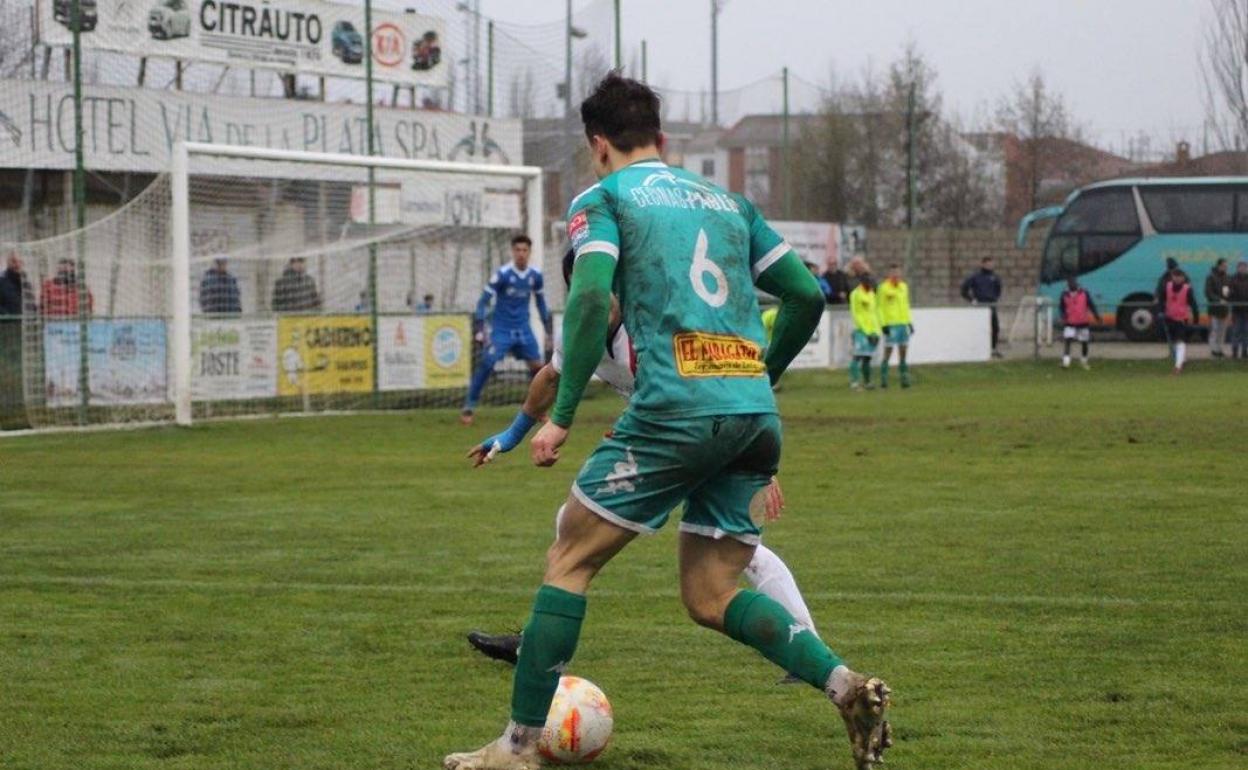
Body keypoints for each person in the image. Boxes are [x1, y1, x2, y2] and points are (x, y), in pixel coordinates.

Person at [443, 73, 891, 770]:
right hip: (752, 413)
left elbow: (592, 301)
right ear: (663, 139)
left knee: (569, 557)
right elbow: (804, 293)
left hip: (673, 409)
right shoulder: (729, 202)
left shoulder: (605, 198)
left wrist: (559, 421)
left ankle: (520, 746)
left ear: (598, 146)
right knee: (711, 594)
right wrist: (757, 379)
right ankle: (842, 684)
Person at [464, 252, 821, 683]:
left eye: (607, 284)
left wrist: (754, 464)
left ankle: (807, 649)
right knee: (570, 525)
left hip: (699, 437)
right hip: (664, 444)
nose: (600, 294)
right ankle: (538, 642)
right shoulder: (582, 327)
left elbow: (722, 385)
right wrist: (510, 435)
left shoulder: (655, 324)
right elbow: (549, 379)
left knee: (742, 557)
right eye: (586, 286)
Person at [461, 235, 552, 425]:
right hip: (501, 329)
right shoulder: (502, 274)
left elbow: (541, 303)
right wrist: (479, 327)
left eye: (524, 250)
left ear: (529, 252)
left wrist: (547, 330)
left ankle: (538, 410)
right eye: (517, 250)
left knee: (539, 368)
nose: (521, 254)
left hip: (523, 329)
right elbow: (483, 301)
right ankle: (469, 406)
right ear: (512, 251)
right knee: (487, 363)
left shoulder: (535, 275)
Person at [847, 260, 882, 391]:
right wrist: (866, 332)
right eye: (867, 279)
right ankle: (854, 382)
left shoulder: (873, 294)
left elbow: (875, 313)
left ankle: (867, 382)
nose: (870, 281)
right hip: (860, 331)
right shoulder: (856, 294)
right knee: (857, 356)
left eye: (871, 279)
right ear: (862, 280)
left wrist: (876, 331)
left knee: (867, 357)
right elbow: (856, 314)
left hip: (873, 331)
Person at [877, 263, 913, 389]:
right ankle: (884, 379)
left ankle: (904, 379)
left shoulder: (903, 287)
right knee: (888, 351)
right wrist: (883, 324)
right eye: (893, 273)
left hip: (903, 324)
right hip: (891, 325)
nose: (896, 275)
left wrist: (909, 322)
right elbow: (880, 307)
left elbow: (906, 305)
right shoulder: (883, 288)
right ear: (889, 274)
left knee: (903, 351)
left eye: (898, 273)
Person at [961, 257, 1003, 358]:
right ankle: (977, 349)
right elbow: (963, 289)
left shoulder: (995, 277)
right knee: (980, 328)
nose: (991, 266)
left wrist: (995, 298)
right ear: (983, 264)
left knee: (995, 327)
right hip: (980, 306)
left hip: (991, 306)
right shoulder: (975, 277)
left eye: (992, 264)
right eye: (988, 264)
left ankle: (993, 349)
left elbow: (999, 289)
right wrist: (972, 300)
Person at [1161, 268, 1199, 375]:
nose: (1177, 278)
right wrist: (1160, 311)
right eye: (1175, 276)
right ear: (1172, 277)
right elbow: (1161, 300)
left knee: (1180, 341)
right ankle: (1182, 359)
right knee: (1174, 342)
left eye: (1179, 276)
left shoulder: (1187, 289)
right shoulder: (1167, 287)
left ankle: (1178, 367)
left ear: (1183, 278)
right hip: (1169, 318)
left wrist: (1196, 319)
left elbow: (1193, 304)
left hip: (1181, 319)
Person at [1059, 276, 1099, 370]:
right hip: (1070, 322)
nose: (1071, 284)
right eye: (1069, 283)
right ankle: (1066, 362)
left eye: (1073, 282)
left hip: (1082, 322)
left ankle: (1084, 361)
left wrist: (1096, 316)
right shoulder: (1064, 294)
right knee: (1068, 341)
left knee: (1084, 342)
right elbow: (1061, 307)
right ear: (1067, 284)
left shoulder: (1084, 293)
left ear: (1076, 283)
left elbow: (1091, 304)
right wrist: (1063, 315)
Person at [1205, 258, 1231, 358]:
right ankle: (1213, 350)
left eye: (1226, 266)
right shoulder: (1210, 277)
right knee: (1214, 330)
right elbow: (1208, 292)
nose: (1225, 267)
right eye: (1224, 266)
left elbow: (1228, 292)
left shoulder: (1227, 277)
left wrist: (1228, 296)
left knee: (1222, 331)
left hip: (1224, 310)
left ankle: (1220, 349)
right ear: (1218, 265)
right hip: (1214, 309)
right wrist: (1218, 300)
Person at [0, 252, 32, 317]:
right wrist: (8, 316)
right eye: (14, 261)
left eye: (20, 262)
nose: (17, 265)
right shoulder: (2, 282)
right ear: (8, 263)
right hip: (6, 325)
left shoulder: (27, 284)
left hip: (25, 324)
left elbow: (31, 304)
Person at [1230, 260, 1248, 360]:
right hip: (1236, 310)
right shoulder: (1232, 279)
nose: (1243, 269)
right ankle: (1235, 352)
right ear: (1237, 268)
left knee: (1246, 332)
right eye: (1241, 267)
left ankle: (1245, 352)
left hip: (1247, 310)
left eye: (1244, 267)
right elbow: (1229, 292)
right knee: (1236, 332)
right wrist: (1231, 296)